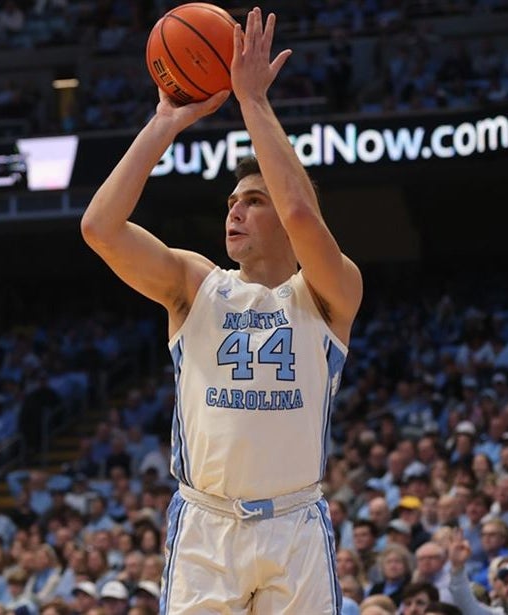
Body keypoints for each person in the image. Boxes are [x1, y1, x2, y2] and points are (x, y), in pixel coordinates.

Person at [80, 6, 363, 614]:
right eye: (232, 201)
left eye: (254, 201)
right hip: (207, 525)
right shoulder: (194, 282)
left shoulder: (330, 292)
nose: (235, 211)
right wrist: (163, 122)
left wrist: (252, 102)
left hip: (295, 524)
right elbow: (100, 228)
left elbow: (303, 215)